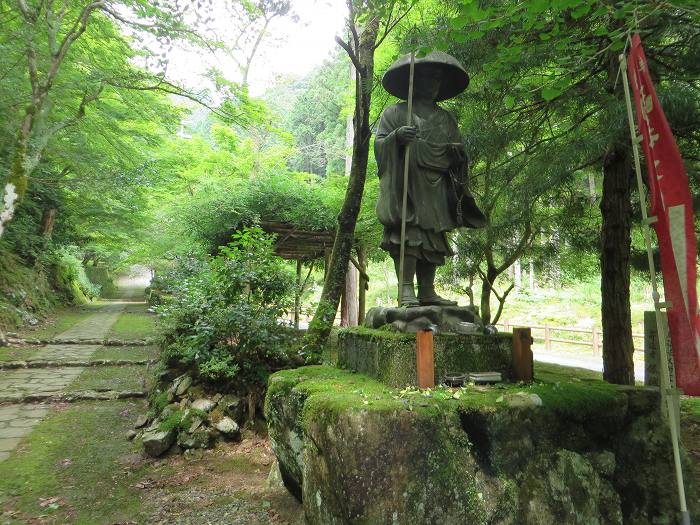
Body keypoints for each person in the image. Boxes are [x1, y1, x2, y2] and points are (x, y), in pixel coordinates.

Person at [375, 51, 485, 307]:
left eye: (438, 80)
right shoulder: (394, 113)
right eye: (428, 79)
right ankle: (405, 290)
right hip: (408, 184)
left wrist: (457, 155)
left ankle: (427, 290)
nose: (434, 84)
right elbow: (380, 145)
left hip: (436, 184)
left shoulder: (446, 118)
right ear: (415, 81)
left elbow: (457, 150)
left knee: (433, 238)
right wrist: (397, 138)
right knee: (409, 235)